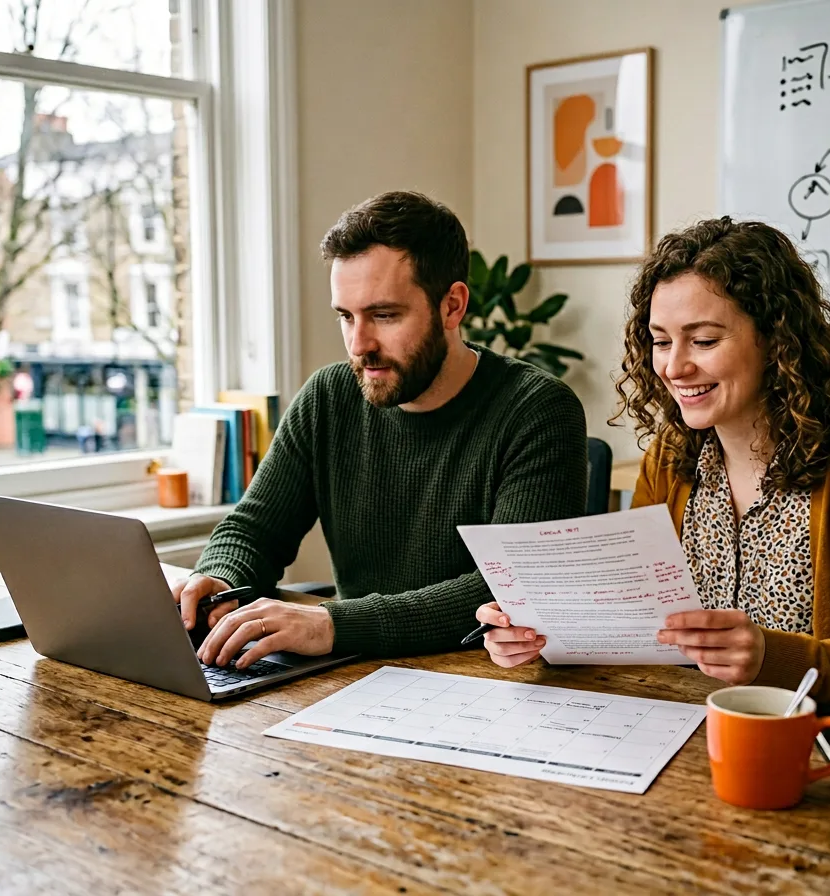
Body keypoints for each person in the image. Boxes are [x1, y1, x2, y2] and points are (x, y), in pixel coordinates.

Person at [476, 217, 830, 707]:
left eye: (703, 341)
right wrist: (543, 635)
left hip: (819, 741)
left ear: (777, 341)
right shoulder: (671, 458)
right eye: (661, 341)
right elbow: (639, 625)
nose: (675, 367)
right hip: (682, 726)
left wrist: (769, 657)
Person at [175, 190, 588, 670]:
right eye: (345, 317)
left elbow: (511, 586)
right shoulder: (329, 397)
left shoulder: (537, 409)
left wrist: (334, 624)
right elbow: (254, 529)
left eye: (384, 315)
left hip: (485, 678)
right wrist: (219, 581)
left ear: (452, 306)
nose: (359, 344)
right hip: (352, 671)